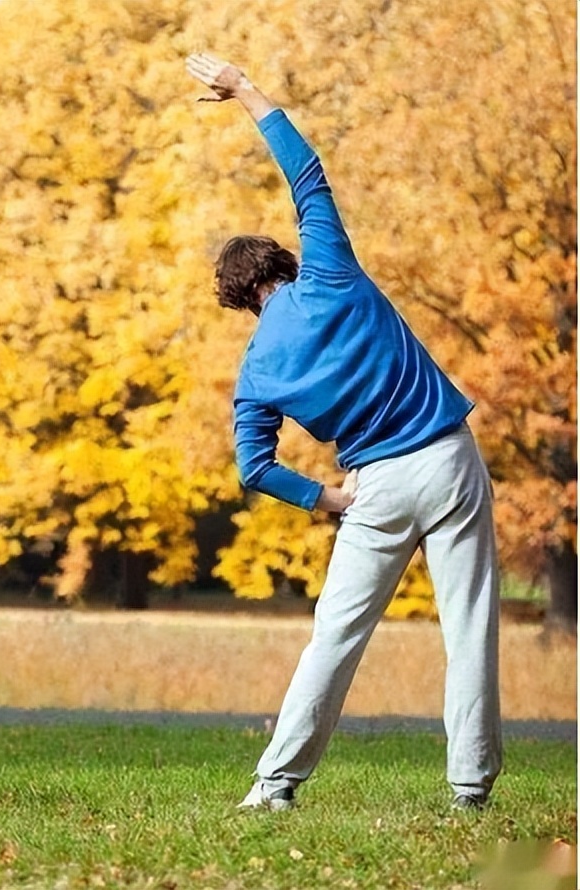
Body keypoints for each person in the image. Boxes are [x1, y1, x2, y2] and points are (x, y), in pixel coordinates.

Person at [184, 56, 502, 812]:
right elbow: (308, 174)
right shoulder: (329, 269)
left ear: (237, 300)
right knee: (470, 629)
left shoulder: (256, 372)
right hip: (452, 462)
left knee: (334, 640)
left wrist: (325, 499)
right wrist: (244, 90)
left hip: (375, 489)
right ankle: (468, 791)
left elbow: (252, 468)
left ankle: (274, 786)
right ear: (283, 262)